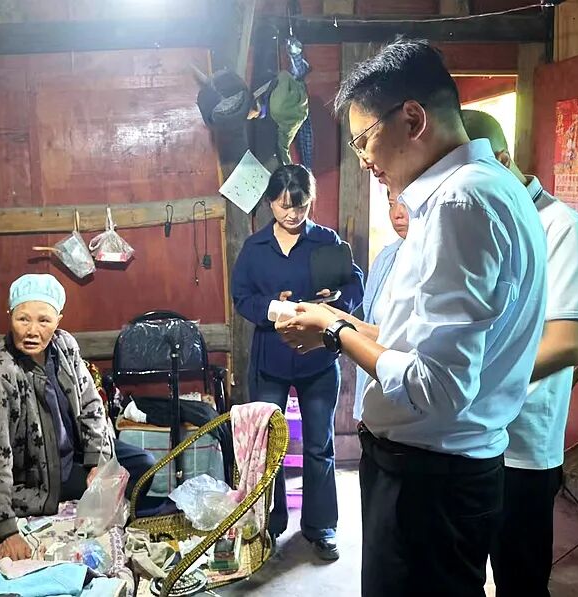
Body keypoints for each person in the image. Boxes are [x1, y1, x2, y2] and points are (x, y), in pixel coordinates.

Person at [276, 38, 547, 596]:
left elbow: (437, 387)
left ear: (413, 118)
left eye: (363, 140)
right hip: (441, 473)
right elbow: (416, 343)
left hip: (429, 482)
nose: (363, 160)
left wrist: (335, 331)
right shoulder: (492, 187)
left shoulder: (458, 204)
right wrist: (335, 321)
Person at [462, 109, 578, 597]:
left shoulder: (560, 225)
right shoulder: (477, 219)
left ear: (502, 160)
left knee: (520, 579)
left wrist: (474, 381)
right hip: (469, 436)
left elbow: (569, 343)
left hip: (522, 447)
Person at [0, 273, 156, 561]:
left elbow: (92, 404)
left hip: (77, 454)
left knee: (143, 464)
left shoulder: (65, 346)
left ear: (58, 320)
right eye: (23, 319)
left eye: (44, 320)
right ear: (9, 316)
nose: (32, 331)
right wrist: (4, 529)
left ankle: (107, 519)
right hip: (43, 477)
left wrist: (97, 460)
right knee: (110, 492)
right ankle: (93, 520)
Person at [231, 164, 363, 561]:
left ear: (311, 202)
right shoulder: (255, 248)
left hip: (318, 358)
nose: (292, 214)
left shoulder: (326, 241)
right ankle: (269, 525)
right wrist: (275, 308)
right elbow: (242, 298)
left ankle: (320, 527)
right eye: (284, 206)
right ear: (270, 202)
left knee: (319, 444)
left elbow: (354, 283)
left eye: (301, 206)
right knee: (268, 446)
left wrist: (335, 303)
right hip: (270, 359)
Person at [352, 193, 408, 420]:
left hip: (409, 387)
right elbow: (368, 317)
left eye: (406, 204)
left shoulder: (440, 259)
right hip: (376, 378)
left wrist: (339, 327)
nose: (397, 214)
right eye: (392, 204)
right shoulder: (387, 256)